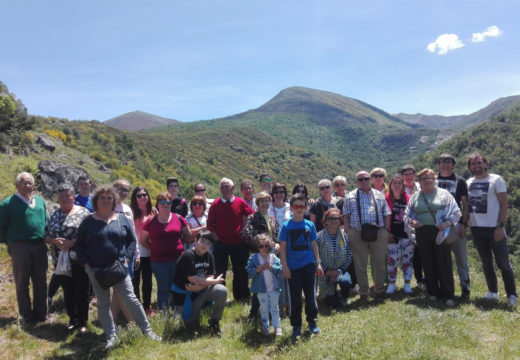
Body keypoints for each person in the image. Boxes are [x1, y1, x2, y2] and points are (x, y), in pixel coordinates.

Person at [75, 186, 160, 350]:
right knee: (103, 303)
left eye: (109, 198)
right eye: (103, 198)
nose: (106, 201)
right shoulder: (88, 221)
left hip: (119, 268)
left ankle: (148, 331)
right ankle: (111, 336)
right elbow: (79, 245)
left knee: (131, 299)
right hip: (97, 270)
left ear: (114, 201)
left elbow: (131, 240)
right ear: (96, 201)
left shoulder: (121, 218)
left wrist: (128, 258)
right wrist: (86, 265)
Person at [404, 169, 461, 308]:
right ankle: (433, 292)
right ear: (419, 181)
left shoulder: (444, 194)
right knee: (427, 262)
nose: (427, 180)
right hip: (422, 231)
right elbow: (407, 215)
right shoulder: (415, 196)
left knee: (444, 263)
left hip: (440, 231)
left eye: (429, 178)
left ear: (434, 179)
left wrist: (447, 223)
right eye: (423, 179)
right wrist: (413, 222)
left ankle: (448, 295)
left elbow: (457, 212)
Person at [466, 153, 517, 308]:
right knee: (486, 262)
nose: (477, 165)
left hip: (495, 228)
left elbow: (504, 204)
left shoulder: (496, 180)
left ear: (485, 164)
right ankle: (493, 292)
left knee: (503, 263)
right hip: (476, 228)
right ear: (469, 167)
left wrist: (500, 226)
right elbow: (467, 206)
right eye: (473, 164)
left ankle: (512, 295)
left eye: (479, 162)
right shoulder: (468, 182)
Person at [0, 172, 48, 324]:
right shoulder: (7, 204)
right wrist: (9, 243)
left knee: (41, 280)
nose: (28, 186)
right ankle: (26, 315)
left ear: (34, 185)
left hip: (40, 245)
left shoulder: (40, 201)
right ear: (17, 185)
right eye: (24, 183)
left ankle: (41, 315)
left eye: (30, 183)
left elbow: (45, 221)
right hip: (19, 246)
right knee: (22, 281)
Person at [44, 184, 90, 332]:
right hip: (61, 262)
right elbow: (45, 236)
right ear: (58, 198)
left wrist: (73, 243)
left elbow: (90, 235)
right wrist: (54, 241)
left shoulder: (83, 212)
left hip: (79, 260)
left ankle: (82, 322)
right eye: (61, 196)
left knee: (81, 291)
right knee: (68, 292)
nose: (65, 198)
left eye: (68, 195)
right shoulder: (55, 214)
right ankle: (72, 320)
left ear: (73, 196)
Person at [279, 193, 324, 340]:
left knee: (310, 296)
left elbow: (314, 245)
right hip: (293, 267)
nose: (299, 209)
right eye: (296, 206)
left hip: (309, 265)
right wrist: (284, 267)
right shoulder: (286, 226)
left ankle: (312, 321)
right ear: (291, 208)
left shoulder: (309, 225)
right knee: (295, 298)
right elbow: (283, 248)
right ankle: (296, 326)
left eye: (302, 206)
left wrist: (318, 264)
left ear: (306, 208)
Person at [342, 171, 392, 300]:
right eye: (361, 179)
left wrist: (385, 230)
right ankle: (364, 292)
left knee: (379, 262)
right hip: (357, 232)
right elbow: (345, 215)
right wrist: (348, 231)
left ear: (370, 179)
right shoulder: (350, 196)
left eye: (366, 178)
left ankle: (379, 289)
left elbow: (386, 213)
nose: (364, 181)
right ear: (356, 181)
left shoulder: (379, 195)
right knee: (360, 264)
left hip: (378, 231)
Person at [207, 178, 255, 302]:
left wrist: (246, 230)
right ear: (220, 189)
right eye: (222, 186)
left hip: (238, 242)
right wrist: (214, 234)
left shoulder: (240, 202)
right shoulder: (216, 204)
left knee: (241, 271)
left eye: (227, 186)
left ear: (233, 188)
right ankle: (219, 298)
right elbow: (209, 223)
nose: (225, 188)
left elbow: (252, 215)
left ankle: (242, 297)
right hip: (221, 243)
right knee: (219, 272)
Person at [141, 192, 190, 311]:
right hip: (158, 261)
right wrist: (154, 248)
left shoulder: (179, 218)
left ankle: (176, 310)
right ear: (157, 204)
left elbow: (187, 236)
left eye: (168, 202)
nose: (165, 205)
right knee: (163, 287)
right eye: (162, 202)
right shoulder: (151, 221)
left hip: (177, 259)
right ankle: (163, 311)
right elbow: (143, 240)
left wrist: (178, 245)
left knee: (176, 285)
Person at [171, 231, 226, 334]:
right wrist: (214, 282)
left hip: (199, 291)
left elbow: (210, 277)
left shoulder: (209, 255)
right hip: (185, 295)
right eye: (203, 241)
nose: (205, 245)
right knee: (192, 328)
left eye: (208, 243)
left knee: (221, 290)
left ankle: (214, 322)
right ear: (195, 241)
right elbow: (193, 279)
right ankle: (180, 312)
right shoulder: (188, 255)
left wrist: (202, 286)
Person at [436, 153, 471, 300]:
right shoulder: (433, 179)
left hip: (456, 225)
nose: (445, 164)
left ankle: (465, 289)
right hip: (439, 227)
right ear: (438, 164)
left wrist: (464, 224)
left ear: (453, 164)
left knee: (461, 259)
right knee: (441, 260)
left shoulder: (460, 181)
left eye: (448, 162)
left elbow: (465, 205)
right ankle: (444, 288)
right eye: (442, 162)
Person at [242, 191, 280, 320]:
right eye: (262, 201)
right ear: (257, 203)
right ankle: (254, 312)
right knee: (259, 283)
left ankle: (271, 311)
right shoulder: (252, 218)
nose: (265, 203)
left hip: (272, 255)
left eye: (267, 200)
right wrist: (260, 244)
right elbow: (246, 235)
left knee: (271, 282)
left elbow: (277, 236)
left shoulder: (272, 219)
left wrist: (277, 244)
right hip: (259, 254)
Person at [246, 234, 283, 336]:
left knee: (275, 308)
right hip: (261, 289)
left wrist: (272, 267)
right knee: (264, 309)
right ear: (257, 247)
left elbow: (280, 270)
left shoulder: (274, 257)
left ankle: (277, 326)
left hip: (274, 288)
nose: (263, 248)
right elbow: (249, 272)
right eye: (261, 246)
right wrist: (257, 270)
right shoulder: (254, 259)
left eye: (266, 246)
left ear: (270, 246)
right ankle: (265, 326)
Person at [316, 208, 352, 307]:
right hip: (325, 273)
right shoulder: (318, 236)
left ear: (340, 221)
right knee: (333, 304)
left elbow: (349, 256)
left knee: (346, 281)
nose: (334, 221)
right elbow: (315, 257)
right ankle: (332, 294)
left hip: (341, 270)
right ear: (326, 221)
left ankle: (344, 296)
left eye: (336, 218)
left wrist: (339, 271)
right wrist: (327, 271)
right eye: (331, 218)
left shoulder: (344, 236)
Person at [130, 186, 156, 316]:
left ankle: (147, 306)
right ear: (135, 198)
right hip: (135, 253)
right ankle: (136, 307)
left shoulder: (153, 212)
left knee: (148, 281)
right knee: (135, 281)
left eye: (144, 195)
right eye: (139, 195)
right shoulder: (131, 212)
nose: (142, 197)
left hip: (149, 252)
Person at [385, 174, 413, 295]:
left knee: (407, 260)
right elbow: (382, 217)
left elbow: (413, 215)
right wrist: (387, 232)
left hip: (407, 234)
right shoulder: (386, 199)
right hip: (392, 234)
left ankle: (407, 283)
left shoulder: (409, 198)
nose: (396, 186)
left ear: (403, 186)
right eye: (394, 183)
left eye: (399, 183)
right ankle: (392, 283)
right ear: (390, 185)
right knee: (392, 260)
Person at [401, 164, 425, 291]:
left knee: (425, 253)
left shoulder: (421, 186)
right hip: (407, 225)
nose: (408, 176)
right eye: (406, 174)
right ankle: (419, 280)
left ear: (414, 175)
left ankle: (427, 279)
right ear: (402, 176)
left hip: (422, 223)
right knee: (413, 255)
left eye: (411, 174)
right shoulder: (400, 188)